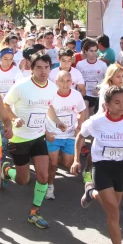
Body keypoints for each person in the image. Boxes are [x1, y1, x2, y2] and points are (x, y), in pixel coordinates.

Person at [72, 86, 123, 244]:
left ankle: (90, 192)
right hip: (101, 167)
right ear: (106, 104)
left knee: (114, 207)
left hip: (120, 166)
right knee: (113, 212)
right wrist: (77, 159)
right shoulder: (97, 121)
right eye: (116, 103)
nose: (121, 106)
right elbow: (80, 136)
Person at [2, 53, 57, 228]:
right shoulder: (21, 86)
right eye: (39, 67)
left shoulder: (52, 87)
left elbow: (47, 106)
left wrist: (57, 123)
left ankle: (34, 212)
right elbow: (5, 104)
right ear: (32, 69)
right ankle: (7, 171)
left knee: (43, 176)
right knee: (23, 180)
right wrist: (13, 118)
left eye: (46, 67)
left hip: (38, 136)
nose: (43, 71)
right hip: (19, 139)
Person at [45, 70, 87, 200]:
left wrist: (79, 126)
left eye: (68, 81)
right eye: (62, 81)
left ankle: (52, 161)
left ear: (72, 82)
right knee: (53, 164)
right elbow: (42, 114)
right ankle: (50, 187)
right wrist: (46, 133)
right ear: (56, 82)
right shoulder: (50, 95)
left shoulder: (76, 95)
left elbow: (82, 111)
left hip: (69, 135)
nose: (65, 84)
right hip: (53, 135)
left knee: (68, 163)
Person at [76, 39, 108, 115]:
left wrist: (99, 89)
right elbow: (77, 80)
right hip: (85, 94)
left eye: (95, 51)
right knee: (85, 115)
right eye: (91, 51)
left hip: (97, 94)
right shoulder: (80, 64)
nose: (94, 54)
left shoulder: (102, 65)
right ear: (86, 52)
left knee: (93, 116)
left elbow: (107, 80)